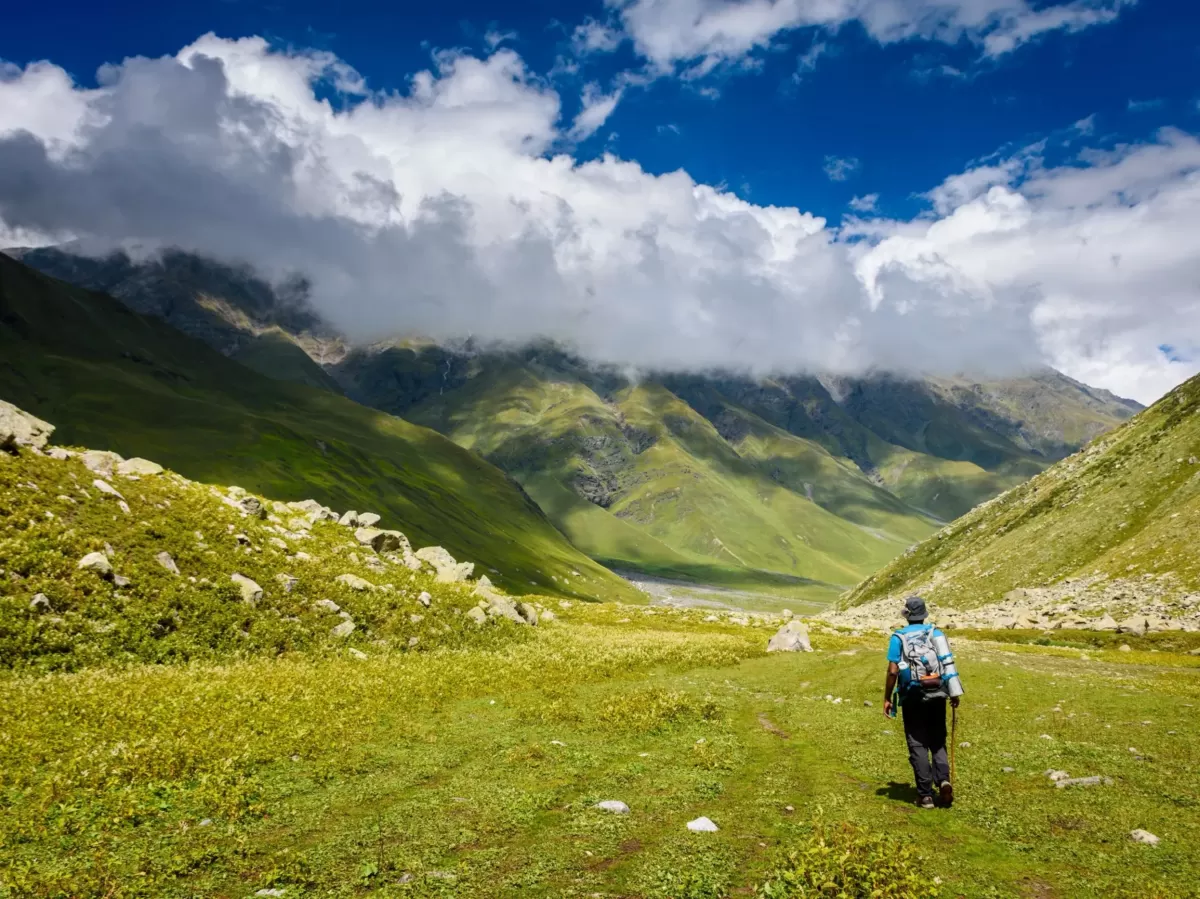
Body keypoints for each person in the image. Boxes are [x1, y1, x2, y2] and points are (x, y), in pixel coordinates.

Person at [882, 595, 960, 809]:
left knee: (917, 742)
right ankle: (943, 780)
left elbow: (892, 671)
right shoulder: (936, 633)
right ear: (924, 614)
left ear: (907, 615)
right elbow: (947, 663)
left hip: (912, 695)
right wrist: (953, 693)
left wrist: (887, 697)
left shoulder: (898, 637)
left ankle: (925, 795)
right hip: (937, 692)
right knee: (937, 739)